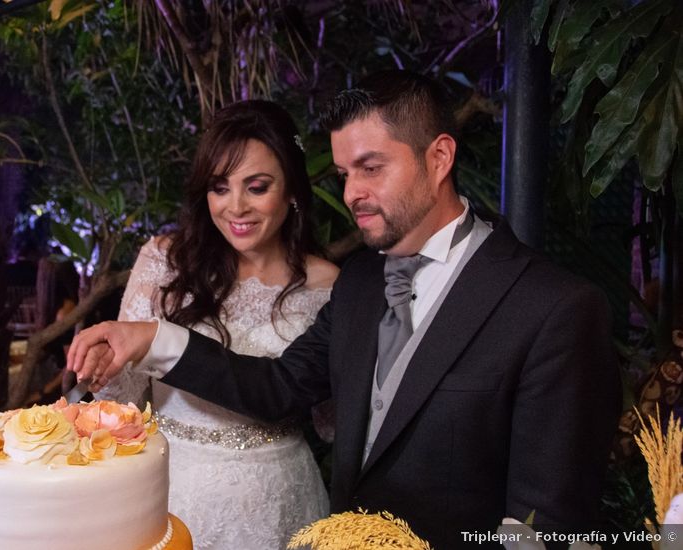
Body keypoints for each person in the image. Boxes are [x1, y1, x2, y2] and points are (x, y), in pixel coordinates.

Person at [70, 72, 621, 548]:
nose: (353, 191)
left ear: (439, 157)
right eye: (344, 175)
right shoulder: (359, 283)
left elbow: (546, 527)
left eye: (371, 168)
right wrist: (152, 338)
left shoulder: (554, 308)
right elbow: (277, 388)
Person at [92, 100, 339, 549]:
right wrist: (102, 369)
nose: (236, 207)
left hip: (280, 501)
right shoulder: (166, 263)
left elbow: (332, 423)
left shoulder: (328, 285)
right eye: (219, 187)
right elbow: (125, 404)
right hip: (172, 493)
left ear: (292, 191)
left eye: (257, 187)